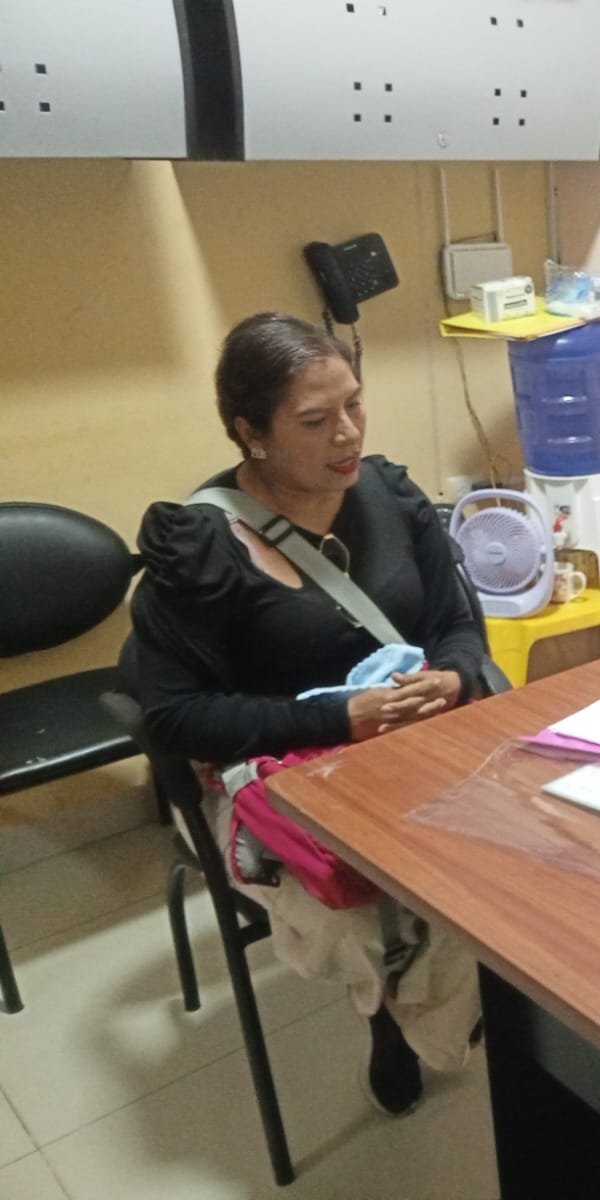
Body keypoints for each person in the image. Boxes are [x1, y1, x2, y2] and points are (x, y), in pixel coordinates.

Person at [131, 312, 484, 1117]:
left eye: (354, 404)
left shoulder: (388, 494)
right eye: (316, 421)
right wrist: (335, 720)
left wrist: (454, 676)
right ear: (250, 433)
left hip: (406, 743)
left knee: (504, 857)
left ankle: (467, 1004)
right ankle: (390, 1019)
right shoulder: (203, 546)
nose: (348, 434)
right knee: (360, 912)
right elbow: (174, 720)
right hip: (278, 770)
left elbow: (457, 625)